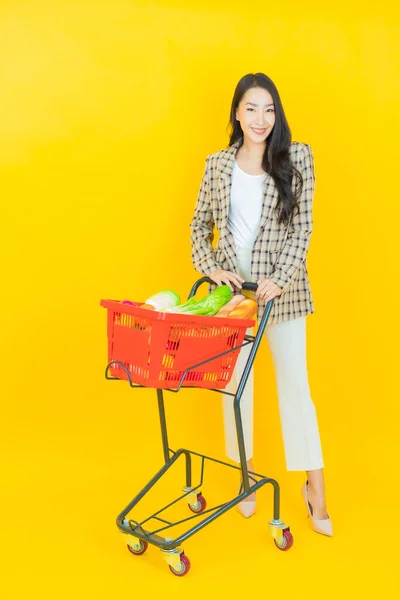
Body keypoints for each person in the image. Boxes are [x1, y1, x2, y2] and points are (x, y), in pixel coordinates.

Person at [189, 72, 332, 536]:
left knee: (296, 388)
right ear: (236, 112)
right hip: (235, 301)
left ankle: (316, 490)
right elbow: (198, 229)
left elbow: (302, 228)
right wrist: (213, 270)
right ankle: (246, 480)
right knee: (237, 388)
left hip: (283, 296)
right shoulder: (216, 165)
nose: (261, 119)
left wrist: (278, 279)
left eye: (269, 109)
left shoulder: (297, 158)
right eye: (251, 108)